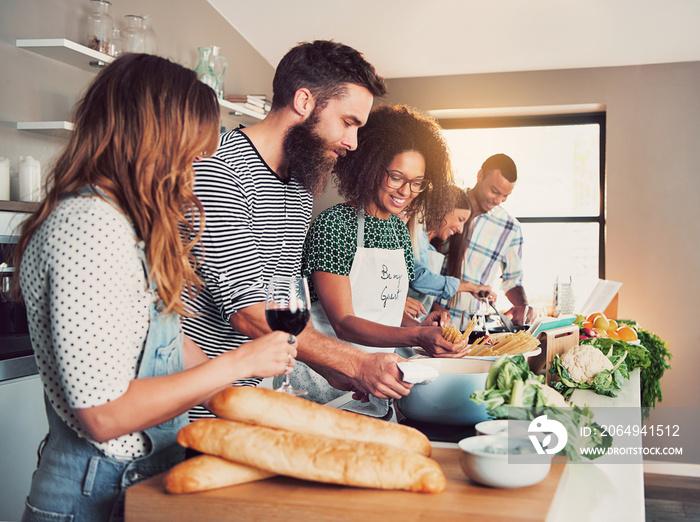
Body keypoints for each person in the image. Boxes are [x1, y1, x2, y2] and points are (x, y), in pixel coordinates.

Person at [13, 54, 296, 522]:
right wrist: (240, 361)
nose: (203, 160)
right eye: (195, 147)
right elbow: (102, 415)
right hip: (93, 494)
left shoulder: (123, 224)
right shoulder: (88, 227)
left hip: (143, 480)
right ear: (151, 136)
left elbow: (163, 339)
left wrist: (247, 404)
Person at [182, 40, 414, 416]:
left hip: (245, 400)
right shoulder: (219, 171)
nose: (352, 143)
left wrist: (331, 367)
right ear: (304, 102)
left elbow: (282, 307)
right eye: (348, 122)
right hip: (189, 406)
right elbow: (251, 311)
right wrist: (354, 362)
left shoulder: (298, 188)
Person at [296, 104, 468, 405]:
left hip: (379, 376)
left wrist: (424, 329)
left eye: (417, 182)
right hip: (328, 377)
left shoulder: (399, 233)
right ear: (371, 167)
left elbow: (386, 310)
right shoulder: (336, 224)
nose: (406, 191)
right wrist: (415, 337)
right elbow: (344, 322)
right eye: (396, 177)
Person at [437, 153, 531, 325]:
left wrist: (522, 305)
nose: (498, 200)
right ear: (480, 175)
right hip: (426, 315)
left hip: (469, 327)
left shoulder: (510, 229)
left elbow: (513, 280)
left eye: (505, 196)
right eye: (494, 191)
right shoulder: (444, 203)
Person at [405, 185, 495, 320]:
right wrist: (470, 287)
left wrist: (435, 307)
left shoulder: (430, 248)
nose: (460, 229)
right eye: (460, 220)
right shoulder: (414, 235)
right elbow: (419, 279)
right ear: (442, 209)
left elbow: (417, 293)